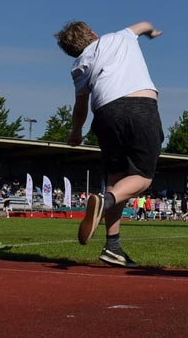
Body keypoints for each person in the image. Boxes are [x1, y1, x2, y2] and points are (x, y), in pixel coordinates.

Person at [56, 20, 163, 268]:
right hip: (139, 106)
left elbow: (80, 105)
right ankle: (105, 202)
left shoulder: (79, 64)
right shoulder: (120, 36)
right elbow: (144, 24)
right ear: (93, 32)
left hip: (105, 115)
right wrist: (152, 32)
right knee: (143, 178)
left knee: (118, 178)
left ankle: (112, 246)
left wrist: (75, 132)